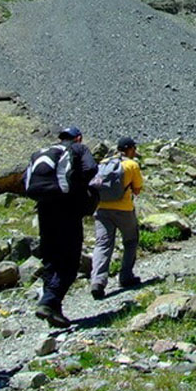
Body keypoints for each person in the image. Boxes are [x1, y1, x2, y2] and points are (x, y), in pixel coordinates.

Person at [35, 126, 97, 328]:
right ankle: (48, 301)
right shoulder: (79, 149)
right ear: (78, 137)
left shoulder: (44, 152)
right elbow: (91, 169)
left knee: (50, 258)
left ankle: (55, 310)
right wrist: (80, 192)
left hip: (44, 209)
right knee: (70, 261)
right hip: (67, 209)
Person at [90, 137, 144, 300]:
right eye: (134, 148)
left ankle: (97, 281)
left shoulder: (103, 163)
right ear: (129, 149)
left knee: (103, 244)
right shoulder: (131, 165)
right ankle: (126, 277)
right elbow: (137, 189)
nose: (135, 152)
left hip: (101, 209)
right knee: (131, 241)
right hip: (123, 210)